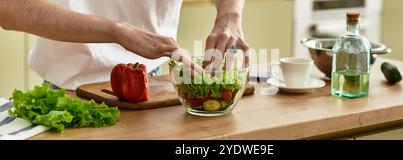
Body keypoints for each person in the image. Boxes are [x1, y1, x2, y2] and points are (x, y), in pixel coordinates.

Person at [0, 0, 250, 90]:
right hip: (67, 89)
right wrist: (116, 30)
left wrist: (230, 16)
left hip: (154, 86)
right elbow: (9, 8)